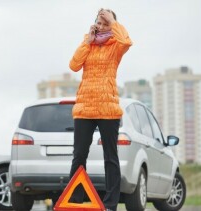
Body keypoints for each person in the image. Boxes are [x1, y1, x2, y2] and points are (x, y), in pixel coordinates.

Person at [68, 8, 132, 211]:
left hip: (108, 109)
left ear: (112, 25)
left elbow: (127, 42)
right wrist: (87, 41)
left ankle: (110, 204)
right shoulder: (88, 44)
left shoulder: (115, 46)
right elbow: (74, 65)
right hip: (85, 108)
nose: (102, 27)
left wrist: (113, 21)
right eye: (100, 23)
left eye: (106, 23)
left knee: (110, 157)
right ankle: (76, 201)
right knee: (79, 155)